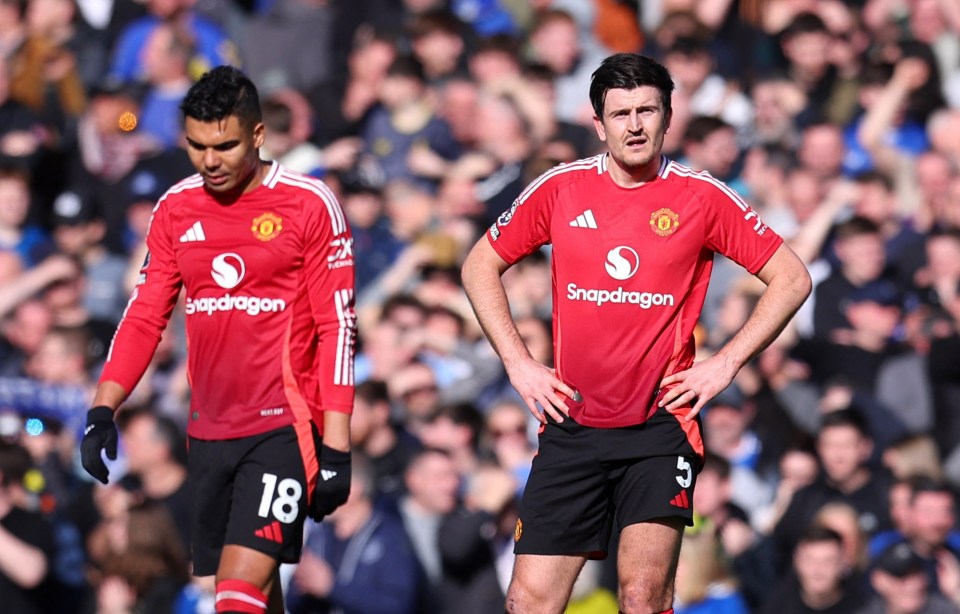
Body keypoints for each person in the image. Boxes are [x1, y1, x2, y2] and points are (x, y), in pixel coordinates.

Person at [460, 52, 812, 613]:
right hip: (571, 422)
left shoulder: (703, 195)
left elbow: (792, 278)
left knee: (642, 597)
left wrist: (725, 363)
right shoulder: (560, 188)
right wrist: (519, 364)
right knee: (528, 601)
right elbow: (479, 264)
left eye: (647, 109)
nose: (636, 124)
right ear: (598, 124)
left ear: (668, 117)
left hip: (659, 424)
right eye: (621, 113)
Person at [77, 65, 357, 614]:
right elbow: (143, 317)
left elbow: (338, 325)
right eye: (197, 145)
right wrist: (102, 408)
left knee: (235, 590)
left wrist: (337, 447)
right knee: (245, 591)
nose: (210, 160)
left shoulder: (308, 204)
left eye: (225, 145)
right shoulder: (177, 209)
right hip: (207, 430)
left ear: (258, 135)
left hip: (284, 426)